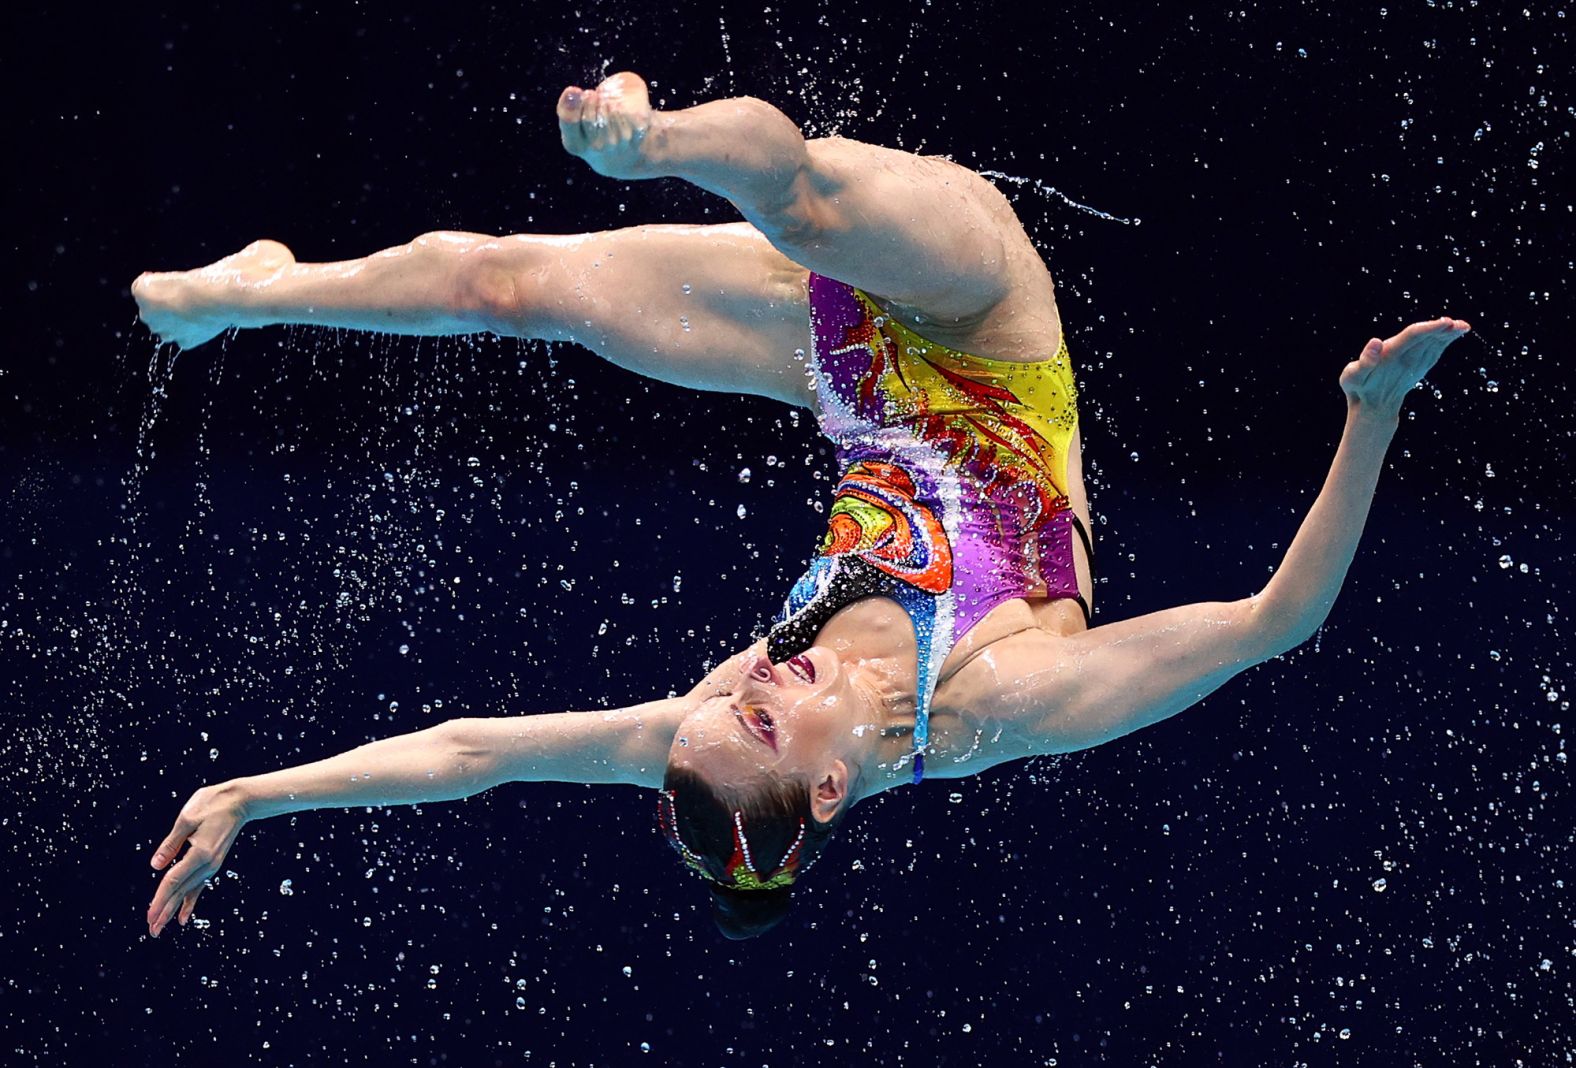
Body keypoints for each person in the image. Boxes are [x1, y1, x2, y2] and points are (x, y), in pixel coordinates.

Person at [136, 72, 1470, 940]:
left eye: (721, 693)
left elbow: (477, 753)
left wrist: (261, 793)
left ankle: (258, 288)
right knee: (810, 204)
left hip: (852, 385)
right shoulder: (997, 704)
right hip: (985, 325)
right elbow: (1273, 622)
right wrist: (1373, 414)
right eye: (757, 708)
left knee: (511, 293)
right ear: (831, 783)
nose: (747, 680)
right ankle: (650, 142)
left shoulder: (728, 735)